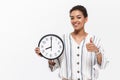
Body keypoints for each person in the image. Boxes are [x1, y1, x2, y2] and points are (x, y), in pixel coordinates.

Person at [35, 5, 107, 80]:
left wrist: (97, 51)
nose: (75, 20)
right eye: (72, 18)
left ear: (86, 19)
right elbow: (54, 65)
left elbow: (103, 65)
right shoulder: (62, 40)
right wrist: (46, 55)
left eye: (78, 17)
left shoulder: (95, 40)